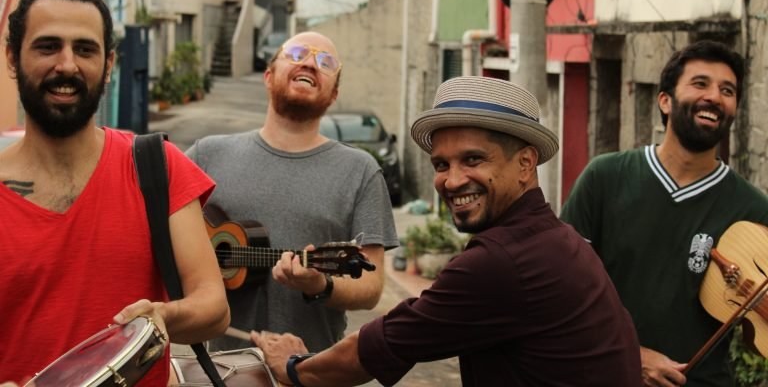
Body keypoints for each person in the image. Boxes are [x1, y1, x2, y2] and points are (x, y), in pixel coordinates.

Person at [250, 75, 643, 386]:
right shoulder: (555, 239)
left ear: (525, 164)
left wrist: (292, 366)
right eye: (441, 165)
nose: (452, 181)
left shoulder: (502, 262)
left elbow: (367, 354)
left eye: (473, 159)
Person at [0, 0, 230, 385]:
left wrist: (162, 316)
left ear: (107, 65)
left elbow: (213, 307)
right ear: (13, 58)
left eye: (85, 49)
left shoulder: (155, 167)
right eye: (48, 46)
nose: (67, 65)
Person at [561, 40, 768, 387]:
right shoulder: (604, 178)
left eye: (727, 90)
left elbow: (755, 335)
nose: (715, 96)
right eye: (700, 83)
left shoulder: (753, 209)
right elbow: (560, 291)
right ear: (665, 101)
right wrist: (632, 355)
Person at [186, 31, 399, 352]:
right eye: (298, 53)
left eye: (325, 62)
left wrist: (322, 284)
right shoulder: (206, 155)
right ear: (268, 76)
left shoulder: (361, 171)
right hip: (219, 370)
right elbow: (150, 228)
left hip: (309, 370)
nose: (311, 62)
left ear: (334, 94)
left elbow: (370, 286)